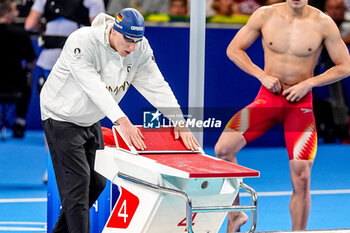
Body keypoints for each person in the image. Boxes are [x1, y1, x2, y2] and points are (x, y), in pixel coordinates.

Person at [40, 8, 199, 233]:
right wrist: (122, 120)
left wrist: (179, 121)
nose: (132, 46)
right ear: (114, 29)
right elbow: (93, 87)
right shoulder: (83, 41)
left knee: (97, 183)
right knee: (78, 189)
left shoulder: (139, 48)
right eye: (128, 39)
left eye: (137, 40)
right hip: (61, 117)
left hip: (91, 118)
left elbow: (156, 85)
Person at [215, 0, 350, 232]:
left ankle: (298, 231)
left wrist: (309, 83)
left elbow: (344, 66)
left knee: (301, 176)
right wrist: (261, 75)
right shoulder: (264, 15)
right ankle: (235, 214)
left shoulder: (323, 23)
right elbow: (233, 50)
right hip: (267, 100)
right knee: (223, 150)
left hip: (300, 106)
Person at [24, 0, 105, 83]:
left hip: (49, 60)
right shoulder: (94, 1)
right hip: (77, 60)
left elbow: (30, 25)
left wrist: (42, 27)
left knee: (50, 94)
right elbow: (99, 31)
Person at [0, 0, 36, 138]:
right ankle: (20, 122)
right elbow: (31, 62)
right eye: (15, 10)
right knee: (28, 77)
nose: (18, 13)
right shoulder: (20, 34)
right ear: (8, 13)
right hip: (15, 83)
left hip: (10, 83)